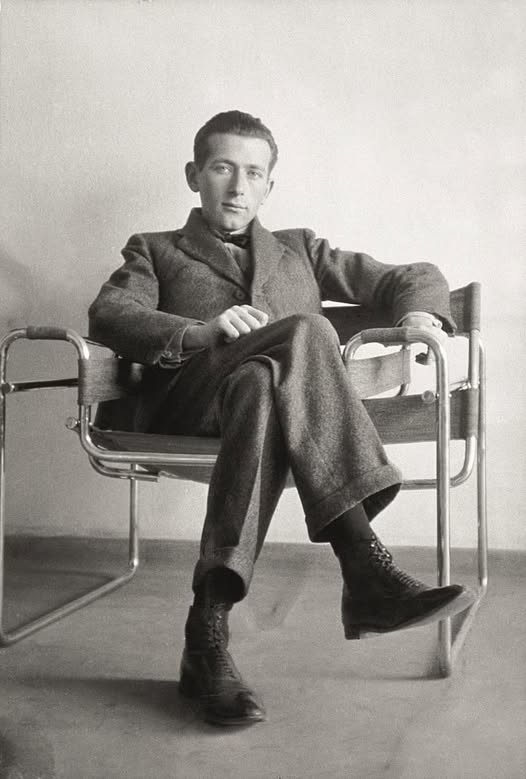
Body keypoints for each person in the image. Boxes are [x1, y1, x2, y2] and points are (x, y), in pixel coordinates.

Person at [88, 110, 473, 727]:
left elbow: (415, 276)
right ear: (194, 175)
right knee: (307, 331)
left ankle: (206, 632)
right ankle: (363, 565)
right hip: (189, 407)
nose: (237, 187)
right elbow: (110, 314)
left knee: (262, 385)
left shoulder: (300, 249)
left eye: (253, 173)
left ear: (270, 186)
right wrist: (198, 332)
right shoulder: (155, 250)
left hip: (262, 413)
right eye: (222, 168)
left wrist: (420, 317)